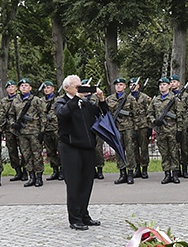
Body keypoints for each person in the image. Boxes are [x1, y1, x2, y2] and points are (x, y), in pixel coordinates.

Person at [56, 74, 106, 229]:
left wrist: (102, 100)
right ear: (67, 88)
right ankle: (75, 218)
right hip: (71, 148)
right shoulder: (62, 101)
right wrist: (75, 98)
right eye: (77, 87)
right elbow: (62, 114)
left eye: (81, 86)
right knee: (74, 184)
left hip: (87, 148)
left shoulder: (86, 103)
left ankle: (84, 214)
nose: (80, 89)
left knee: (86, 183)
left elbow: (102, 114)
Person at [10, 78, 44, 187]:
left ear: (30, 88)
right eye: (22, 86)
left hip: (34, 131)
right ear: (19, 88)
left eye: (26, 85)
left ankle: (39, 177)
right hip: (22, 132)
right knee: (26, 155)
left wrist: (42, 131)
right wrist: (13, 123)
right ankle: (31, 176)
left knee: (36, 154)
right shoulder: (15, 100)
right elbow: (10, 114)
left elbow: (42, 116)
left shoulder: (35, 100)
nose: (24, 87)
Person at [149, 77, 182, 184]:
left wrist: (180, 130)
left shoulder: (175, 99)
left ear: (169, 86)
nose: (162, 86)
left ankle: (175, 174)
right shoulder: (155, 100)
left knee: (174, 153)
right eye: (160, 85)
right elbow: (149, 113)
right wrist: (155, 121)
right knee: (164, 153)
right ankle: (167, 174)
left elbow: (180, 115)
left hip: (172, 129)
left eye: (164, 84)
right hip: (161, 131)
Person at [109, 78, 135, 184]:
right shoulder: (110, 99)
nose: (118, 87)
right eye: (116, 85)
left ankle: (130, 173)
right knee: (119, 151)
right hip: (116, 128)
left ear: (125, 87)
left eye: (120, 85)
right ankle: (122, 173)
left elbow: (135, 114)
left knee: (129, 151)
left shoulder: (130, 99)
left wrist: (135, 129)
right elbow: (106, 113)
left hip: (128, 128)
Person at [2, 80, 25, 181]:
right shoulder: (3, 101)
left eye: (12, 86)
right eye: (8, 87)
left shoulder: (21, 99)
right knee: (12, 150)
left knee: (24, 150)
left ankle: (25, 171)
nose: (11, 88)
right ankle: (17, 171)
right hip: (8, 129)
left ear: (16, 88)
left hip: (21, 128)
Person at [129, 78, 152, 179]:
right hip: (132, 126)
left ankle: (144, 169)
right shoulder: (127, 98)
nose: (132, 86)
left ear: (138, 86)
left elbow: (150, 112)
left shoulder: (145, 98)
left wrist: (150, 127)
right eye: (130, 85)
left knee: (144, 148)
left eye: (134, 84)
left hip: (143, 126)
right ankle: (137, 168)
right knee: (134, 148)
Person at [171, 75, 188, 179]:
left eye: (175, 81)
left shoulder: (186, 96)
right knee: (174, 149)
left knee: (184, 148)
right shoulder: (169, 96)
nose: (172, 83)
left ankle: (184, 169)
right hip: (171, 126)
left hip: (183, 125)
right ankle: (176, 169)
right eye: (171, 82)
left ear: (179, 83)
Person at [40, 81, 62, 180]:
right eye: (45, 88)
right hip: (46, 129)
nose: (46, 90)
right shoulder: (41, 101)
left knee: (60, 150)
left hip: (56, 128)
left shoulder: (58, 100)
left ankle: (62, 170)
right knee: (50, 151)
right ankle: (55, 170)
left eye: (48, 88)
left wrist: (52, 116)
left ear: (53, 89)